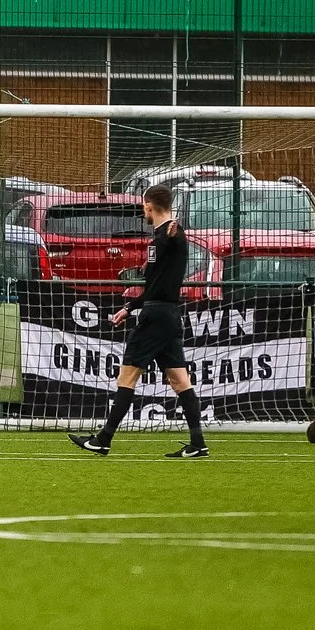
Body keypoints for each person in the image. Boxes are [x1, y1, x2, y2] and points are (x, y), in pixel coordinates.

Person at [70, 184, 208, 459]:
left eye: (142, 207)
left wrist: (133, 307)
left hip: (156, 316)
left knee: (128, 376)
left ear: (148, 206)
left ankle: (103, 439)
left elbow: (156, 285)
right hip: (168, 315)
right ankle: (198, 443)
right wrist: (130, 307)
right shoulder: (170, 234)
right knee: (180, 381)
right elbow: (159, 284)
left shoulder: (165, 237)